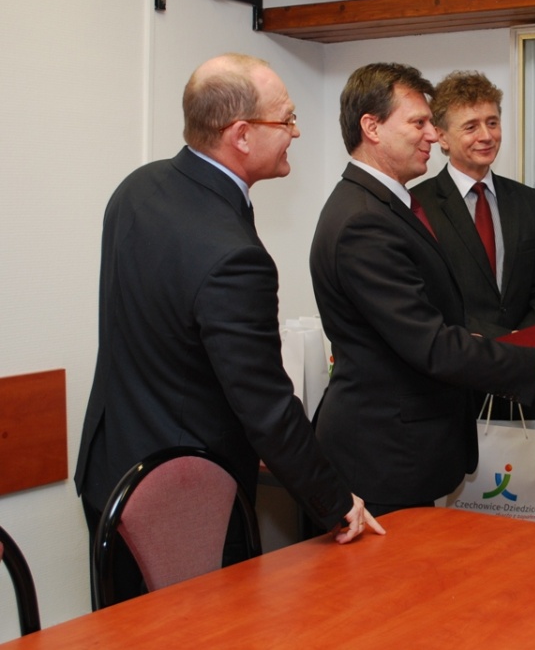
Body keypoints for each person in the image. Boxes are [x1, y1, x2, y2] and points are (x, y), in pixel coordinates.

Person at [75, 53, 382, 604]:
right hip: (185, 504)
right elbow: (266, 408)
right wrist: (336, 502)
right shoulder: (233, 256)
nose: (295, 132)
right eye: (286, 120)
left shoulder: (138, 188)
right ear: (241, 135)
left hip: (112, 476)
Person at [310, 62, 535, 518]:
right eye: (418, 123)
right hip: (384, 456)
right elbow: (431, 343)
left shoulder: (384, 206)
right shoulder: (366, 220)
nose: (430, 135)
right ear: (372, 128)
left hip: (406, 446)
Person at [411, 70, 535, 418]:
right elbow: (426, 305)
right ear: (441, 136)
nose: (486, 135)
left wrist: (525, 341)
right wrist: (505, 343)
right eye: (471, 126)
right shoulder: (417, 207)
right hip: (452, 389)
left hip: (521, 388)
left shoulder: (526, 200)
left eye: (492, 122)